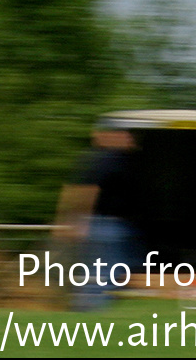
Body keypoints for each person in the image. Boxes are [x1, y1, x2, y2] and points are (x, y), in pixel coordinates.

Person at [56, 126, 141, 311]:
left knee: (110, 272)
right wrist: (76, 222)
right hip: (104, 225)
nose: (130, 141)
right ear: (111, 136)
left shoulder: (113, 160)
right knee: (102, 273)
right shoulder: (106, 160)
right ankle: (88, 312)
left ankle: (88, 309)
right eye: (126, 136)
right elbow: (86, 191)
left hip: (114, 226)